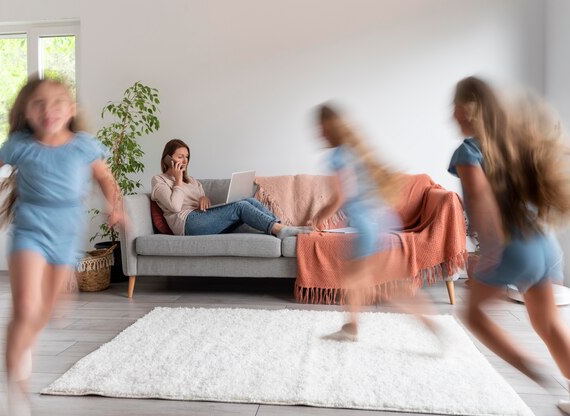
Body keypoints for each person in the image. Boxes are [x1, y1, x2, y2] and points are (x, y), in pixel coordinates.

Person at [0, 76, 124, 415]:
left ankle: (26, 346)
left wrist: (114, 206)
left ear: (70, 110)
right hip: (29, 233)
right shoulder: (20, 145)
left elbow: (105, 177)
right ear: (26, 113)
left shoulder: (83, 146)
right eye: (38, 103)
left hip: (65, 239)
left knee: (43, 315)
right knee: (26, 308)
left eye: (57, 102)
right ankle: (16, 390)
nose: (49, 110)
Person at [448, 76, 570, 413]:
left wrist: (490, 251)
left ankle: (537, 372)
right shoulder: (514, 144)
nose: (452, 116)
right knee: (547, 324)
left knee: (473, 315)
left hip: (511, 246)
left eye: (455, 108)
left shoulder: (468, 151)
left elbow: (481, 199)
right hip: (543, 245)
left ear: (468, 109)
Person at [312, 104, 437, 341]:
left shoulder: (338, 156)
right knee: (368, 280)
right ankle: (352, 327)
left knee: (362, 281)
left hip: (368, 227)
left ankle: (429, 325)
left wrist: (319, 215)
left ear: (328, 127)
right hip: (385, 220)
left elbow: (341, 196)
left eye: (320, 129)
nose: (319, 135)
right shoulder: (357, 151)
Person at [151, 139, 310, 238]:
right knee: (240, 207)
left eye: (187, 157)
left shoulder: (192, 181)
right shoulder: (159, 181)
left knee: (247, 200)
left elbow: (202, 200)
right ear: (168, 159)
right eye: (180, 157)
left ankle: (282, 227)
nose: (185, 161)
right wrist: (177, 181)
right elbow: (174, 206)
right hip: (187, 224)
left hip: (201, 218)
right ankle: (280, 230)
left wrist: (204, 198)